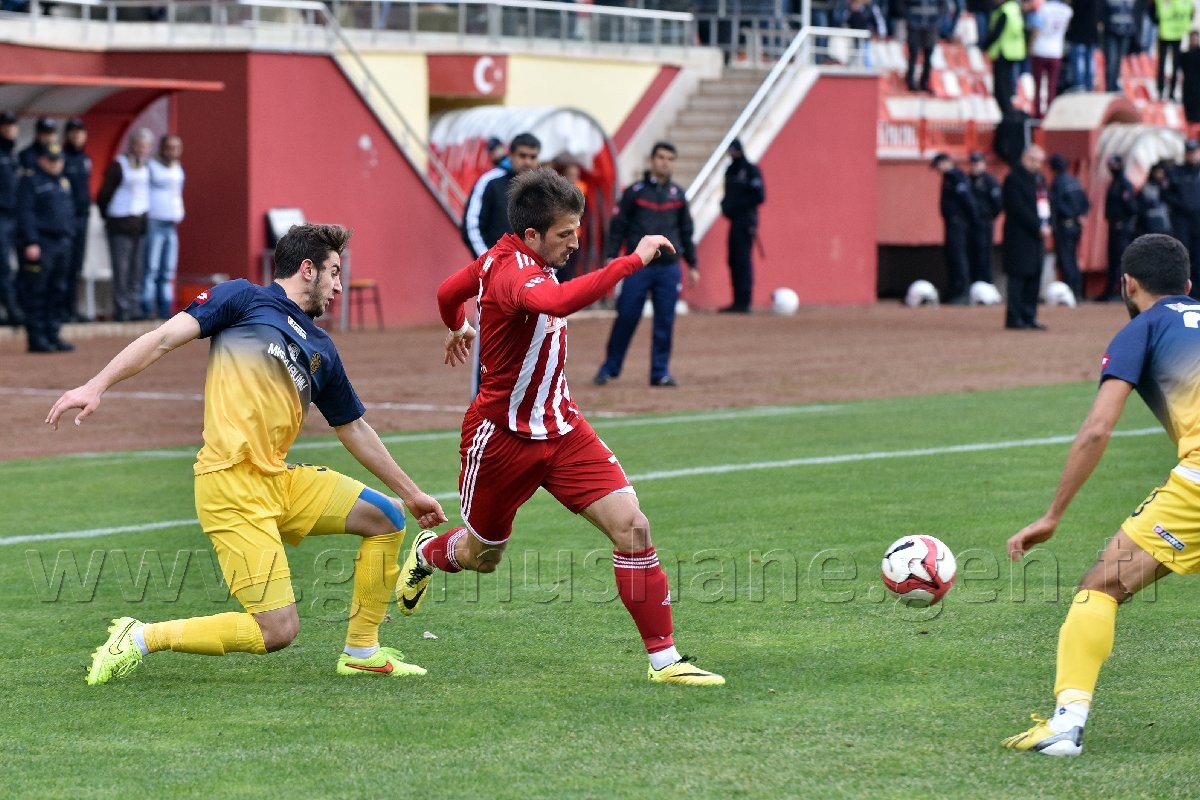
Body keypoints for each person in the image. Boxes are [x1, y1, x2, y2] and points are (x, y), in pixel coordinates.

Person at [46, 223, 448, 686]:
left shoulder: (321, 348)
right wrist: (95, 385)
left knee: (388, 517)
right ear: (308, 269)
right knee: (277, 631)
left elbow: (353, 427)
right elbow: (162, 338)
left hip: (279, 480)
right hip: (230, 486)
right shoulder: (242, 298)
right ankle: (140, 636)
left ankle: (362, 651)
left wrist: (411, 493)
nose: (339, 285)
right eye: (335, 272)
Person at [403, 167, 723, 687]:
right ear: (531, 235)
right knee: (483, 557)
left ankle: (666, 661)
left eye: (576, 231)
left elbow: (448, 292)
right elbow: (558, 301)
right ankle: (427, 553)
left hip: (563, 427)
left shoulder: (510, 258)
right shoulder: (512, 273)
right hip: (501, 439)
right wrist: (632, 260)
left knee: (634, 527)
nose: (575, 243)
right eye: (565, 234)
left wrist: (457, 324)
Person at [1001, 233, 1200, 756]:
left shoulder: (1142, 329)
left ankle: (1066, 726)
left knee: (1101, 587)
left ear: (1128, 284)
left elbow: (1096, 430)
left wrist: (1052, 515)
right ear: (1187, 285)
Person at [594, 141, 698, 388]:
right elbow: (619, 226)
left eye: (670, 159)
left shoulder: (678, 195)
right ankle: (609, 368)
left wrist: (693, 264)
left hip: (669, 268)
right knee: (627, 315)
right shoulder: (635, 192)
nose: (665, 162)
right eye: (661, 157)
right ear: (652, 160)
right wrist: (611, 256)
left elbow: (686, 231)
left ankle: (660, 372)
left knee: (665, 321)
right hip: (638, 266)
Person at [16, 143, 74, 353]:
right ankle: (37, 337)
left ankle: (53, 334)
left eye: (59, 160)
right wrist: (31, 241)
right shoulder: (31, 182)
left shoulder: (62, 182)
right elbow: (25, 213)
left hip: (62, 243)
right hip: (42, 243)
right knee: (37, 291)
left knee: (58, 291)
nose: (56, 164)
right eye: (51, 160)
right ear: (41, 160)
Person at [97, 127, 153, 321]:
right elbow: (104, 194)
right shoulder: (119, 165)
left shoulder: (147, 166)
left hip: (139, 224)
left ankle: (134, 306)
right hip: (120, 223)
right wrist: (108, 217)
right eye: (139, 145)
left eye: (146, 146)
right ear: (132, 145)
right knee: (121, 268)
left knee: (136, 269)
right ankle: (122, 308)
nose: (142, 150)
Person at [461, 132, 541, 258]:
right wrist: (489, 260)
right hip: (493, 265)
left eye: (532, 157)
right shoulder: (490, 182)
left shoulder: (542, 189)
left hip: (529, 268)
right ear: (511, 155)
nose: (527, 162)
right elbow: (472, 225)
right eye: (522, 156)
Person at [1002, 143, 1051, 330]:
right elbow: (1017, 208)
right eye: (1033, 160)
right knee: (1018, 277)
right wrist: (1037, 226)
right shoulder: (1013, 179)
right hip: (1019, 236)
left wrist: (1048, 224)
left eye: (1039, 161)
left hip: (1037, 237)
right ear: (1024, 158)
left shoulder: (1040, 180)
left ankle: (1029, 316)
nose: (1036, 164)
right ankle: (1014, 317)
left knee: (1034, 276)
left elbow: (1046, 203)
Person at [719, 138, 765, 313]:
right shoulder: (730, 170)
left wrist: (738, 204)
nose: (732, 154)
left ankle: (744, 301)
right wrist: (726, 206)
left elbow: (759, 195)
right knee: (733, 259)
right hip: (734, 220)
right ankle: (737, 300)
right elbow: (728, 194)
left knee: (743, 259)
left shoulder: (750, 170)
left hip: (746, 220)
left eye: (734, 150)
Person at [142, 133, 185, 319]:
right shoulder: (151, 166)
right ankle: (146, 306)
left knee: (168, 268)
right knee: (151, 267)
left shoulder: (177, 167)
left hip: (171, 222)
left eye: (176, 148)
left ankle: (165, 307)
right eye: (169, 147)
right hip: (155, 220)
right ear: (162, 148)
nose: (172, 151)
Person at [932, 152, 978, 304]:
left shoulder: (956, 176)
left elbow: (967, 200)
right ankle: (954, 291)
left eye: (938, 166)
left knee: (958, 257)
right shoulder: (950, 177)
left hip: (958, 223)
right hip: (952, 223)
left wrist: (973, 220)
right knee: (952, 256)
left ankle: (961, 292)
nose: (937, 170)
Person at [61, 118, 92, 323]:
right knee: (64, 266)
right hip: (66, 220)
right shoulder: (61, 157)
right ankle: (62, 309)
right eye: (73, 132)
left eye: (80, 132)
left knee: (77, 266)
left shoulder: (85, 158)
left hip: (82, 218)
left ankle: (72, 308)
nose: (77, 136)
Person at [1048, 153, 1091, 300]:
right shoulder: (1074, 181)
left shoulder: (1057, 183)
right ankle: (1078, 290)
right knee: (1073, 258)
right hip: (1076, 226)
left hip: (1064, 226)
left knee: (1066, 259)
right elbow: (1086, 203)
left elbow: (1056, 206)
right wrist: (1080, 215)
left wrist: (1054, 225)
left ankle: (1071, 291)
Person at [1099, 153, 1137, 300]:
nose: (1112, 168)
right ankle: (1110, 290)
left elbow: (1132, 207)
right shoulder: (1114, 183)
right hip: (1114, 226)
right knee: (1113, 259)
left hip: (1122, 227)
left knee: (1122, 259)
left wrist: (1124, 221)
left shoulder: (1124, 184)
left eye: (1114, 165)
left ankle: (1122, 291)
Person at [982, 0, 1027, 115]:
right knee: (1007, 85)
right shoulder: (1014, 8)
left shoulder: (1004, 11)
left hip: (1004, 51)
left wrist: (984, 46)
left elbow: (996, 32)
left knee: (1001, 88)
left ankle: (1008, 116)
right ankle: (1009, 114)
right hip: (1015, 51)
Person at [1029, 0, 1073, 117]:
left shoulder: (1043, 8)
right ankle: (1050, 112)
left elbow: (1037, 29)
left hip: (1040, 49)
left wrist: (1030, 46)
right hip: (1056, 51)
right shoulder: (1067, 11)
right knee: (1052, 85)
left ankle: (1037, 112)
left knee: (1038, 85)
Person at [1167, 139, 1200, 295]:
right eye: (1189, 152)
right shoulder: (1176, 172)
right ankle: (1185, 291)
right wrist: (1181, 204)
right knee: (1183, 256)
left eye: (1194, 152)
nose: (1191, 155)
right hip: (1182, 221)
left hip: (1198, 220)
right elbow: (1166, 194)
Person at [967, 150, 1003, 285]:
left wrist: (988, 216)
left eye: (978, 163)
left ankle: (986, 283)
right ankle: (974, 284)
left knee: (984, 255)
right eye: (973, 163)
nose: (975, 166)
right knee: (971, 254)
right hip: (971, 224)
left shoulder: (989, 180)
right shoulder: (968, 180)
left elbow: (998, 203)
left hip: (984, 223)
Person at [0, 110, 22, 327]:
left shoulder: (14, 154)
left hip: (16, 216)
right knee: (3, 265)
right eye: (5, 126)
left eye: (12, 126)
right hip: (2, 217)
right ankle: (11, 309)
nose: (9, 130)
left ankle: (16, 306)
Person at [1152, 0, 1193, 101]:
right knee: (1170, 65)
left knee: (1169, 65)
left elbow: (1153, 13)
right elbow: (1190, 14)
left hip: (1168, 33)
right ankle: (1167, 92)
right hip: (1175, 33)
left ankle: (1164, 91)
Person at [905, 0, 941, 92]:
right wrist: (909, 18)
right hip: (914, 26)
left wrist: (937, 20)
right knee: (913, 55)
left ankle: (924, 82)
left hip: (931, 27)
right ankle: (910, 82)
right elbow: (902, 4)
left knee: (928, 57)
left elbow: (943, 6)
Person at [1065, 0, 1101, 90]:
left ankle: (1079, 83)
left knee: (1078, 59)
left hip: (1079, 31)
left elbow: (1073, 11)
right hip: (1091, 31)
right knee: (1089, 60)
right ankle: (1088, 84)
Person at [1101, 0, 1135, 91]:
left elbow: (1133, 12)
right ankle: (1110, 86)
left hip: (1125, 31)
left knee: (1119, 60)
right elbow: (1103, 10)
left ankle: (1114, 84)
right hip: (1111, 31)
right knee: (1112, 59)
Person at [1180, 30, 1200, 123]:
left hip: (1198, 86)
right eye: (1192, 38)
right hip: (1187, 85)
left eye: (1196, 39)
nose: (1194, 40)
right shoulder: (1184, 55)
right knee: (1188, 112)